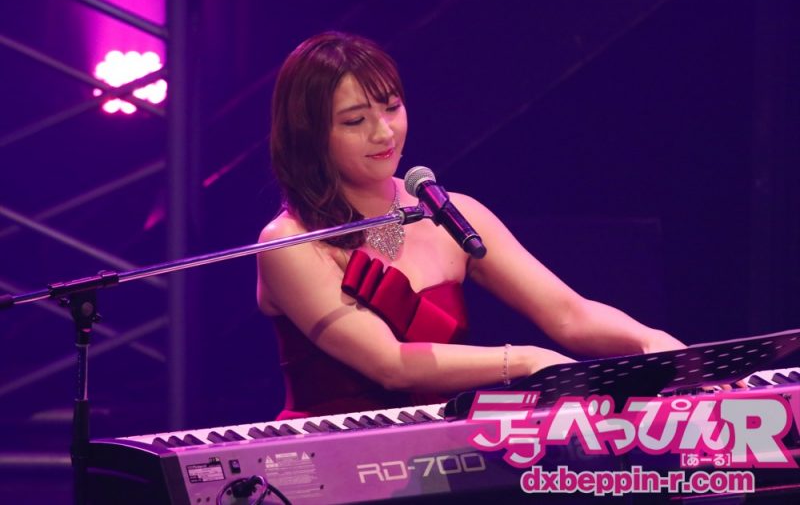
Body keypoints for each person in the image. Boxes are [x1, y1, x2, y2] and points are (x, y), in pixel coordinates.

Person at [256, 31, 685, 420]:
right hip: (328, 452)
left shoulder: (452, 212)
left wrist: (650, 341)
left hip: (441, 440)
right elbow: (390, 365)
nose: (384, 133)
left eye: (392, 108)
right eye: (355, 121)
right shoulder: (289, 242)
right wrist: (526, 360)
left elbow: (569, 314)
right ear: (310, 134)